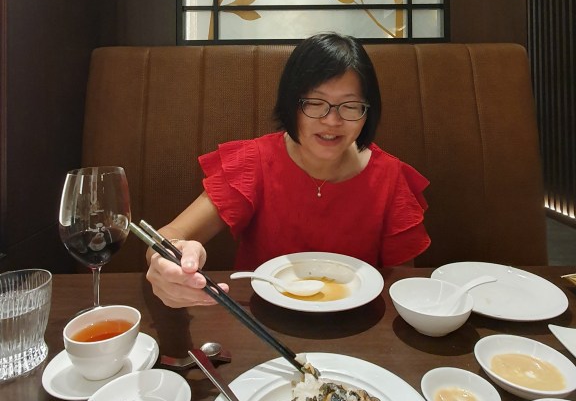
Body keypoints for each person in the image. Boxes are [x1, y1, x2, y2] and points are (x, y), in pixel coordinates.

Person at [146, 32, 430, 308]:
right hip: (261, 319)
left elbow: (402, 283)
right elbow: (170, 234)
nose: (332, 121)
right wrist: (169, 261)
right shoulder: (254, 163)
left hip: (357, 326)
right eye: (315, 103)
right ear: (291, 104)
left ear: (368, 111)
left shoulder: (390, 177)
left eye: (350, 106)